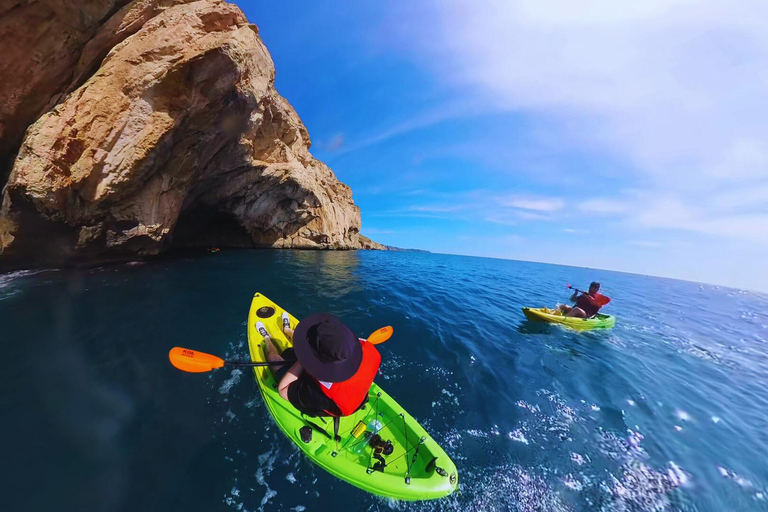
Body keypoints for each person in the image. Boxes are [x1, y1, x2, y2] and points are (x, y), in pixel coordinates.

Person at [255, 313, 381, 418]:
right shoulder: (359, 347)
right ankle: (287, 330)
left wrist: (305, 359)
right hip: (352, 391)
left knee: (275, 360)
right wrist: (309, 354)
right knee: (318, 343)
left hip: (327, 401)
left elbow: (282, 390)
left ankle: (267, 339)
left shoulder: (319, 394)